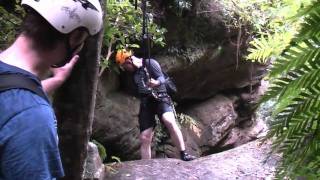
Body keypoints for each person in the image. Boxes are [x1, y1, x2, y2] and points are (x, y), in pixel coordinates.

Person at [0, 0, 103, 179]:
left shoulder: (15, 96)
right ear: (76, 37)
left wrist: (56, 80)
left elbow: (10, 102)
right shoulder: (33, 118)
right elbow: (21, 111)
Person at [116, 49, 195, 161]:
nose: (125, 69)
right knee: (145, 137)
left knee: (169, 121)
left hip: (161, 97)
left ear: (129, 61)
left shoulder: (150, 63)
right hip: (147, 102)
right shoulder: (134, 74)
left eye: (124, 66)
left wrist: (156, 83)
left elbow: (162, 78)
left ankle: (184, 153)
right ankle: (146, 167)